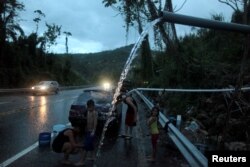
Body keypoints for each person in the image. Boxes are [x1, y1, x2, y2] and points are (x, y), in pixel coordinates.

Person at [75, 99, 98, 166]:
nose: (89, 108)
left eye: (91, 107)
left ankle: (82, 161)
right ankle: (93, 157)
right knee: (91, 145)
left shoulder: (94, 112)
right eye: (88, 107)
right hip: (87, 131)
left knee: (86, 146)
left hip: (92, 131)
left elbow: (95, 123)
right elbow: (85, 120)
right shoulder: (87, 111)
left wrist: (93, 131)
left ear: (93, 106)